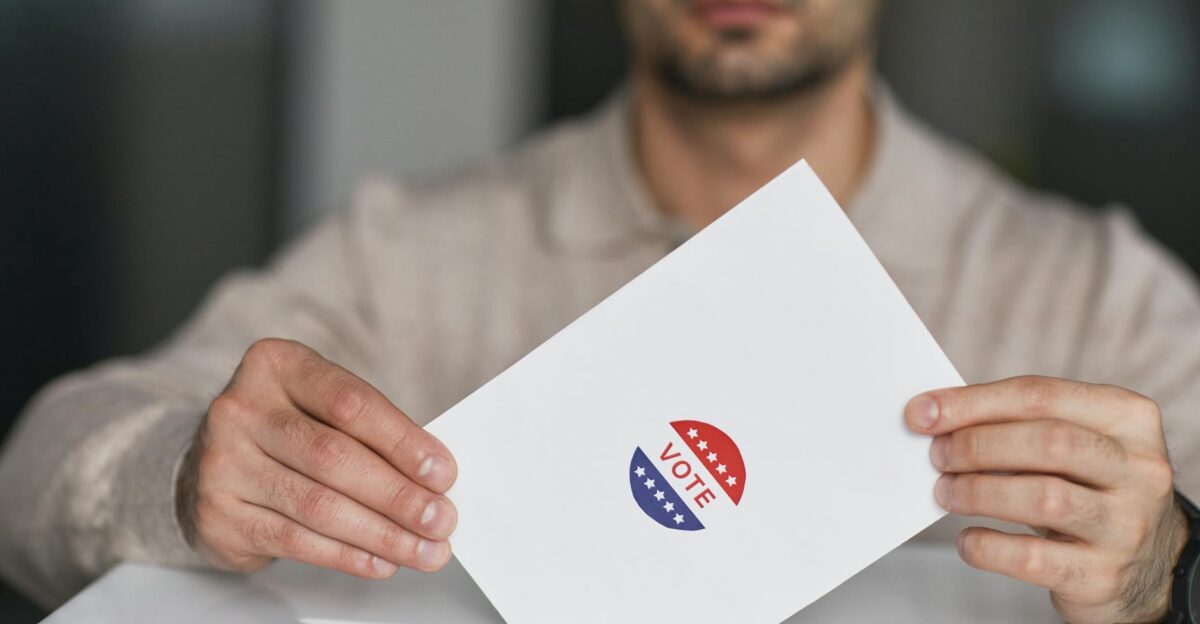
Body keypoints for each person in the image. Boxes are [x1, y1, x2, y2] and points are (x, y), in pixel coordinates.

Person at [2, 0, 1199, 621]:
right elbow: (37, 472)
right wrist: (186, 469)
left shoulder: (1091, 289)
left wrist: (1168, 569)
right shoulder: (412, 249)